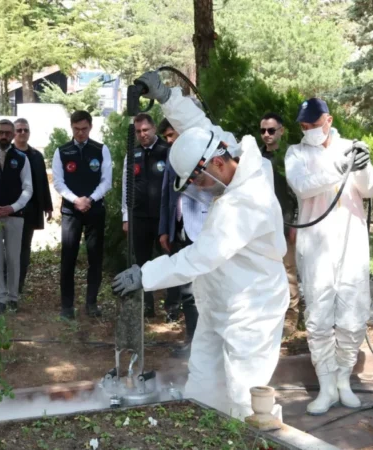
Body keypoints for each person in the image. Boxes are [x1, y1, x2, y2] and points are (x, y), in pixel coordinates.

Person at [113, 73, 289, 418]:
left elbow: (200, 256)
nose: (199, 189)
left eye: (198, 180)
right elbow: (198, 124)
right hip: (219, 301)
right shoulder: (232, 153)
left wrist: (145, 275)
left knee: (244, 398)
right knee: (202, 387)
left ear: (218, 165)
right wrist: (166, 95)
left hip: (252, 309)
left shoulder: (246, 201)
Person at [284, 98, 373, 415]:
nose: (308, 129)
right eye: (304, 125)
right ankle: (325, 385)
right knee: (320, 319)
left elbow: (370, 189)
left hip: (351, 244)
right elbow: (301, 185)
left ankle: (343, 381)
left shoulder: (351, 147)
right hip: (315, 248)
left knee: (352, 318)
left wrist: (363, 168)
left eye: (313, 123)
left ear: (328, 119)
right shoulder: (296, 153)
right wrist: (337, 168)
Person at [52, 110, 112, 320]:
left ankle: (91, 303)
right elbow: (58, 182)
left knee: (95, 257)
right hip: (71, 211)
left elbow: (106, 181)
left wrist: (90, 199)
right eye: (76, 129)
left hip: (94, 209)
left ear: (90, 127)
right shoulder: (62, 151)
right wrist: (76, 200)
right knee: (68, 257)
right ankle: (67, 305)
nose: (80, 133)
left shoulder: (101, 150)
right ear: (71, 128)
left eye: (84, 129)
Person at [156, 119, 200, 358]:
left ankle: (203, 342)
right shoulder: (173, 156)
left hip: (202, 229)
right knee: (185, 289)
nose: (169, 141)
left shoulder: (201, 149)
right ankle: (192, 339)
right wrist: (165, 229)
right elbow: (166, 194)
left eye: (172, 135)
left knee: (200, 290)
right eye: (166, 137)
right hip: (179, 229)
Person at [121, 113, 170, 318]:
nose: (142, 134)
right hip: (139, 217)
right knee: (142, 263)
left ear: (154, 129)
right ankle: (147, 307)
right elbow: (126, 186)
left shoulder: (167, 151)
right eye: (138, 131)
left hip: (163, 218)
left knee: (169, 262)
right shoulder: (132, 155)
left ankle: (172, 308)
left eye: (145, 130)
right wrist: (125, 216)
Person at [0, 119, 33, 315]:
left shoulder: (21, 158)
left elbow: (28, 188)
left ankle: (13, 298)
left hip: (15, 216)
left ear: (13, 136)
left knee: (13, 258)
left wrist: (13, 207)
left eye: (7, 133)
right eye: (0, 132)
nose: (3, 136)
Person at [259, 113, 301, 336]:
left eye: (271, 130)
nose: (267, 135)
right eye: (263, 130)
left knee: (288, 272)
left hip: (285, 224)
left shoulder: (290, 157)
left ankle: (291, 320)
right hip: (263, 227)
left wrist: (295, 223)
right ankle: (271, 317)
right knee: (266, 273)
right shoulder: (257, 158)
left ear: (281, 131)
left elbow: (298, 194)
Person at [13, 118, 53, 296]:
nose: (22, 133)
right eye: (19, 130)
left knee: (24, 248)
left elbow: (43, 182)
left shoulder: (36, 156)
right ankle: (7, 285)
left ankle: (18, 286)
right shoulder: (8, 153)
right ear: (14, 132)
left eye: (25, 130)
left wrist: (48, 206)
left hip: (30, 209)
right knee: (10, 248)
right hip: (11, 210)